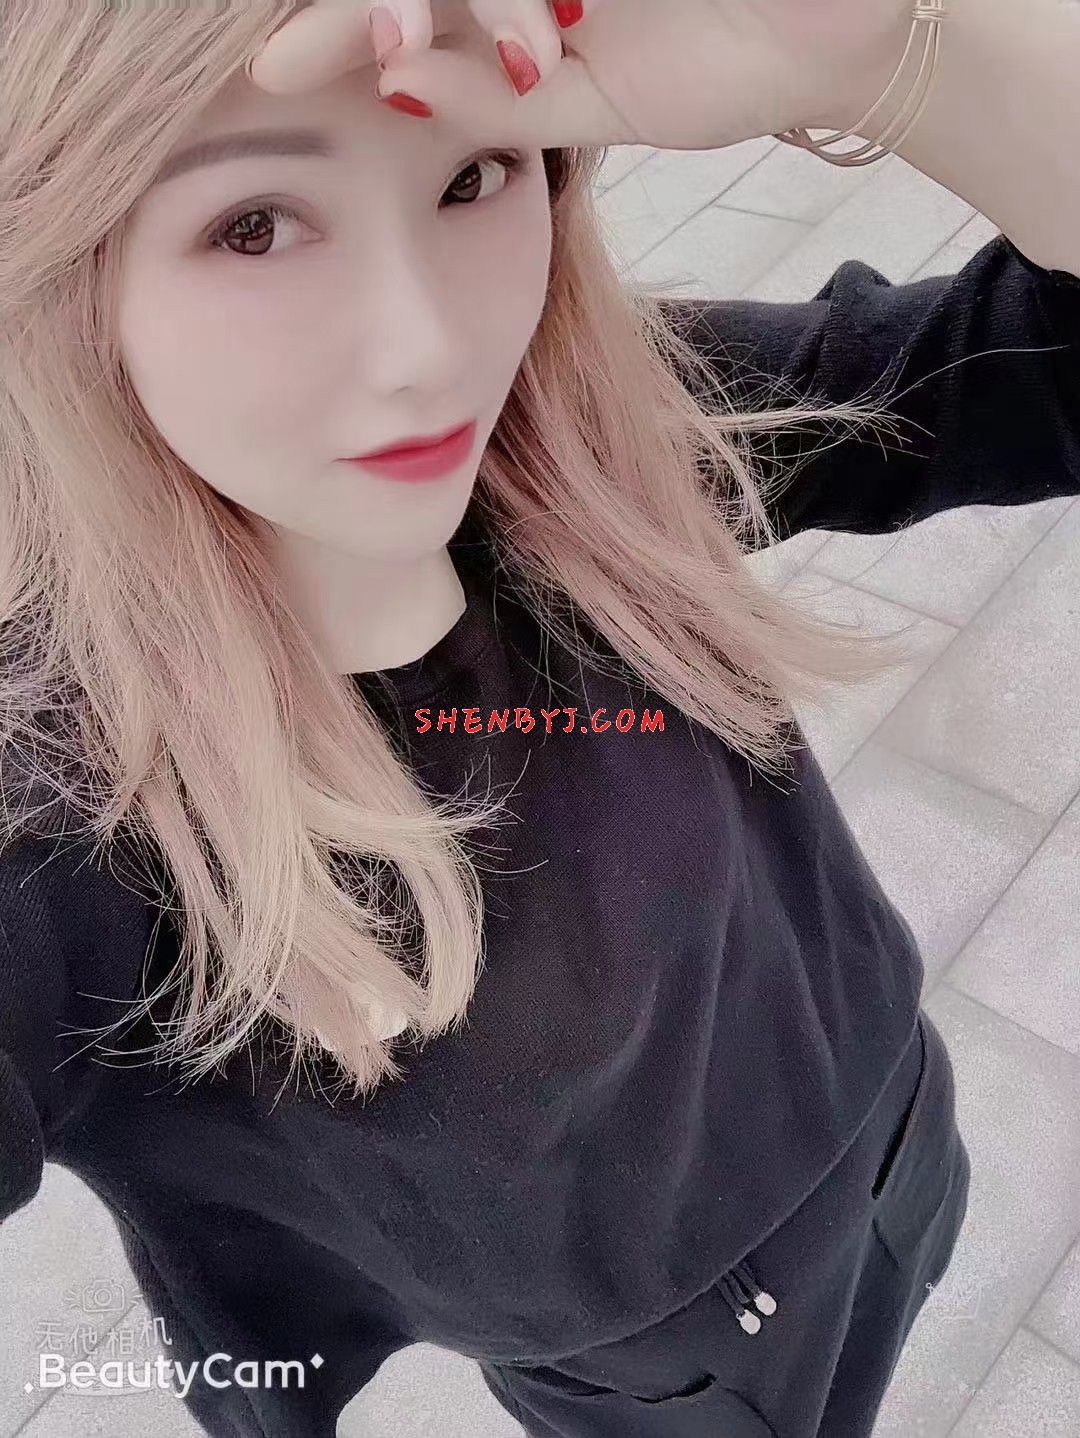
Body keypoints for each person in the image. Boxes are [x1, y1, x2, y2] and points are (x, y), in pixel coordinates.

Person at [0, 1, 1077, 1435]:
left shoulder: (589, 441)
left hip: (903, 1132)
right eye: (254, 225)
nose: (428, 344)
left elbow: (1044, 364)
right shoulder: (65, 797)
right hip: (675, 1378)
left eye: (473, 174)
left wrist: (891, 62)